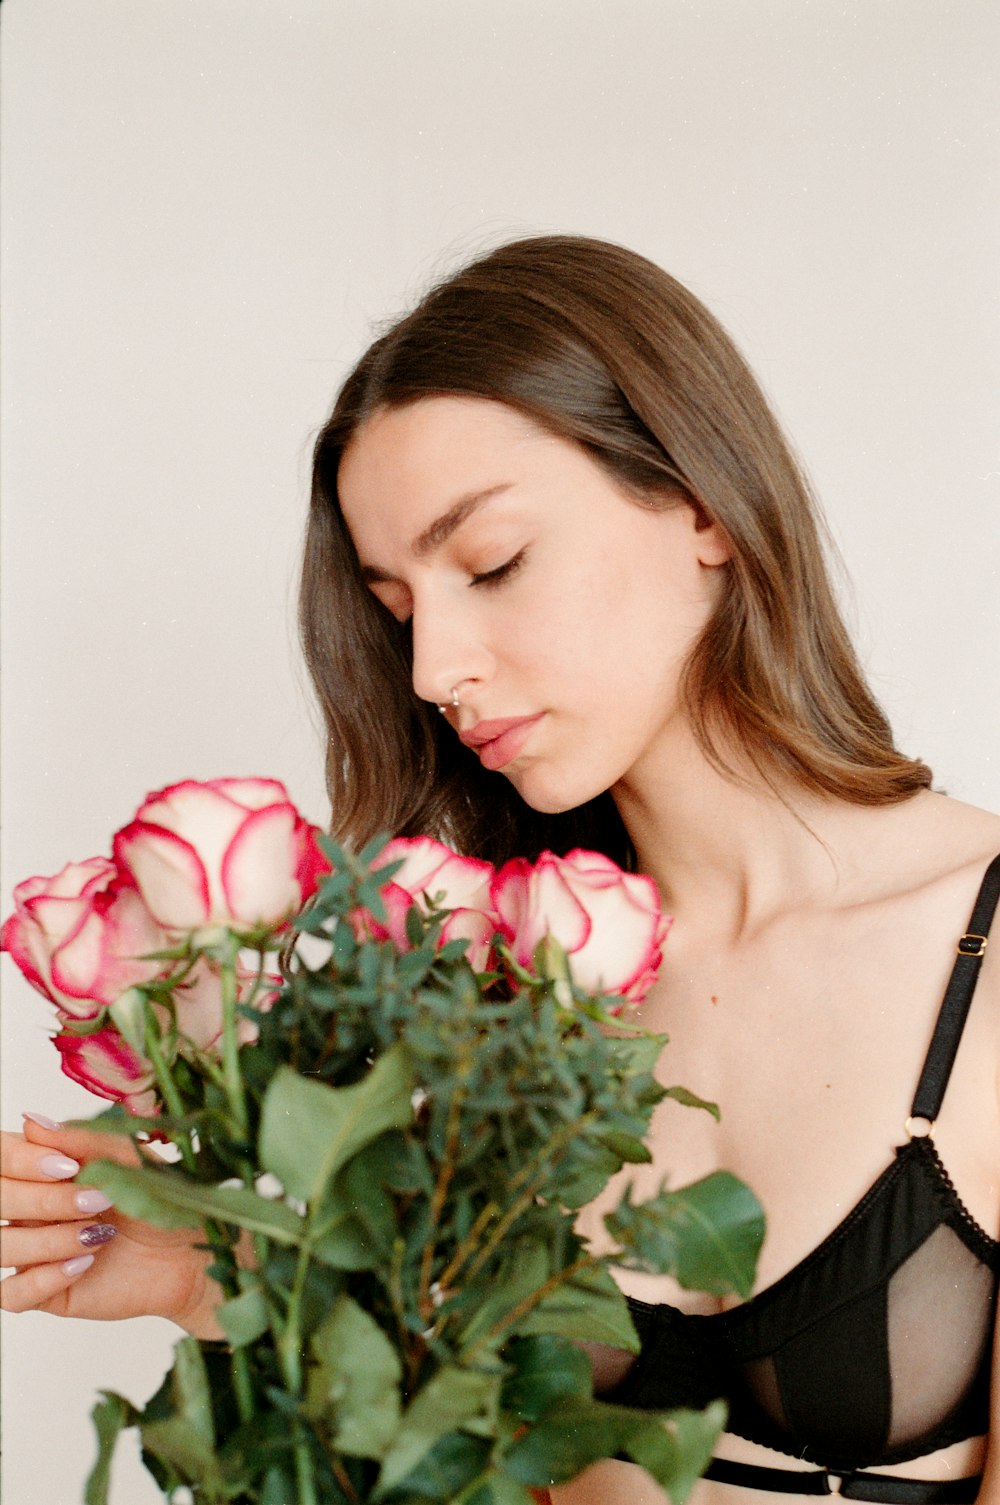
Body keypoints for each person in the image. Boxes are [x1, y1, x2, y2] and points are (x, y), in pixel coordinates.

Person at [2, 235, 997, 1504]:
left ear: (701, 503)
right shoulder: (474, 991)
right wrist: (239, 1285)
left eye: (490, 563)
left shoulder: (985, 939)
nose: (431, 671)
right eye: (399, 605)